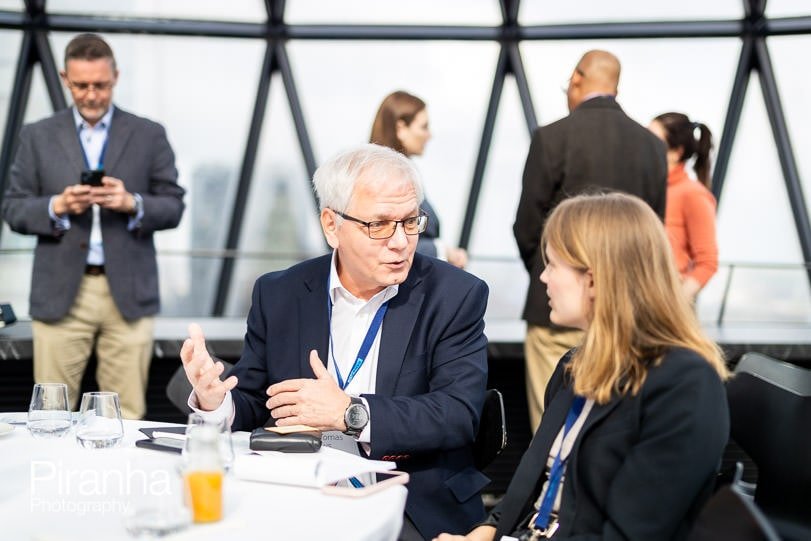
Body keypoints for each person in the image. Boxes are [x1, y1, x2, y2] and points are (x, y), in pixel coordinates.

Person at [180, 144, 490, 540]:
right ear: (331, 225)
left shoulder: (453, 295)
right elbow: (257, 402)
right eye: (379, 224)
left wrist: (350, 413)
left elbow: (457, 414)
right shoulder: (281, 294)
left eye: (410, 221)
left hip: (408, 498)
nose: (400, 242)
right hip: (303, 492)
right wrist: (215, 400)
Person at [435, 192, 730, 541]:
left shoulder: (684, 386)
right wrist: (483, 534)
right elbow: (536, 482)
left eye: (553, 265)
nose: (543, 278)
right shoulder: (577, 365)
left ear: (592, 279)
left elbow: (630, 534)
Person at [2, 33, 185, 419]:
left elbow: (173, 205)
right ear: (65, 78)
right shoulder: (38, 136)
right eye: (81, 85)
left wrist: (131, 203)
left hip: (128, 295)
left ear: (115, 77)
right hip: (61, 292)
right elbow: (13, 209)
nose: (90, 94)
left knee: (126, 415)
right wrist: (58, 206)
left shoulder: (148, 134)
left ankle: (121, 481)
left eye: (100, 85)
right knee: (50, 414)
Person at [513, 50, 667, 432]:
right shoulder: (652, 147)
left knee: (551, 428)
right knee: (614, 425)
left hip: (557, 318)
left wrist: (554, 272)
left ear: (577, 79)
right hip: (626, 312)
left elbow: (527, 226)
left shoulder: (552, 138)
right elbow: (652, 230)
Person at [370, 90, 468, 268]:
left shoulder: (395, 173)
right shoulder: (385, 178)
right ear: (400, 129)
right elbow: (382, 242)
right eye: (424, 127)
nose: (429, 135)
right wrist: (443, 251)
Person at [649, 112, 718, 302]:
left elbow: (707, 262)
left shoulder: (692, 194)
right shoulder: (646, 188)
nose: (644, 145)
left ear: (676, 152)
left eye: (653, 140)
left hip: (669, 307)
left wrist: (674, 305)